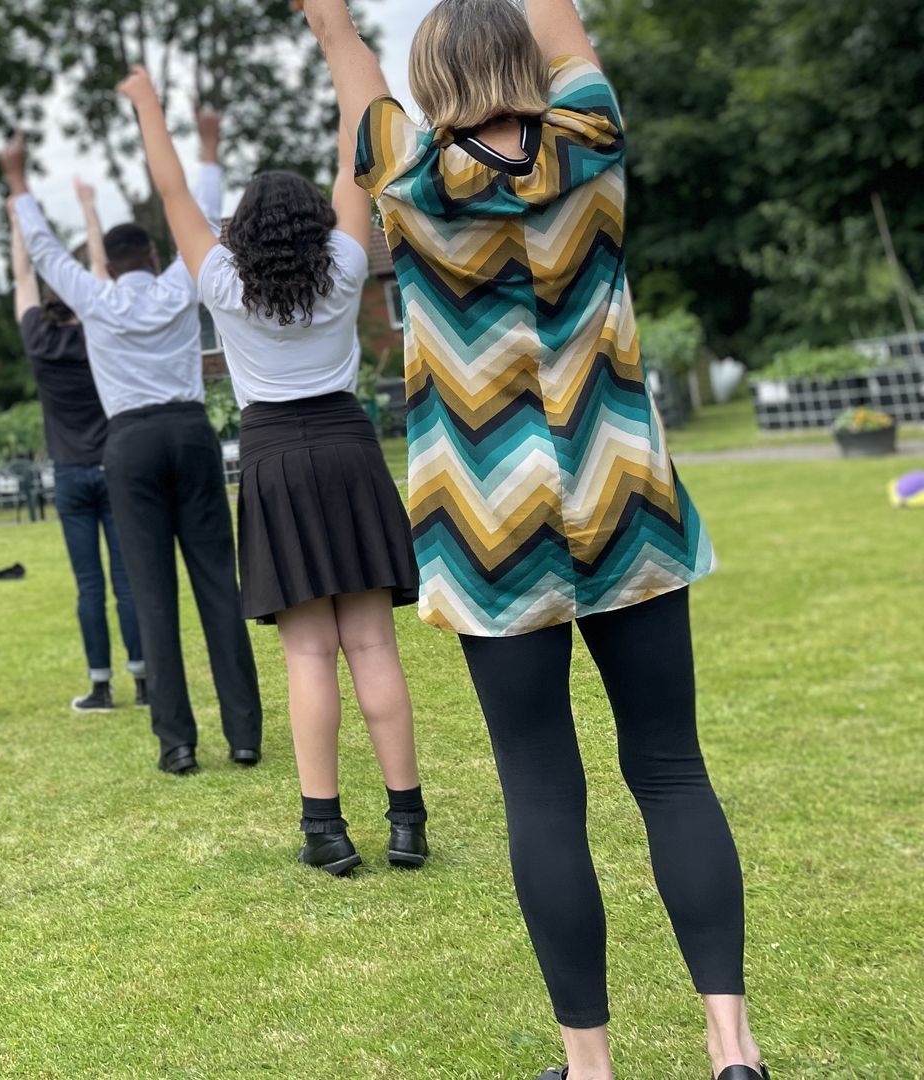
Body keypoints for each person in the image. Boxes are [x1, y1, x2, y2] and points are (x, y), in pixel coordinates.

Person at [306, 0, 759, 1076]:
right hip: (626, 501)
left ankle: (590, 1066)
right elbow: (566, 39)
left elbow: (347, 59)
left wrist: (330, 21)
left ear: (432, 83)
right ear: (529, 68)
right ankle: (732, 1048)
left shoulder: (402, 180)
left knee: (541, 789)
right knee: (673, 771)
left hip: (486, 533)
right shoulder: (593, 140)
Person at [120, 66, 429, 876]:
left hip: (273, 459)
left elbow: (172, 188)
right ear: (318, 222)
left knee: (308, 657)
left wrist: (148, 103)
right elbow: (353, 151)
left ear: (244, 233)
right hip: (349, 448)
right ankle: (406, 823)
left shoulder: (221, 279)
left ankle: (325, 831)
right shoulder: (349, 262)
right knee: (372, 645)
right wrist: (340, 56)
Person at [1, 126, 264, 777]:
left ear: (112, 265)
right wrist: (207, 153)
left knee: (151, 593)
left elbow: (41, 251)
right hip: (190, 431)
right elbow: (200, 218)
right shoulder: (181, 285)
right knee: (217, 587)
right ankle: (243, 735)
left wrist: (18, 184)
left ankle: (176, 742)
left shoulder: (94, 297)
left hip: (129, 443)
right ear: (152, 254)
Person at [6, 188, 147, 713]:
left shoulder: (37, 344)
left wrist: (17, 225)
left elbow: (22, 277)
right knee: (125, 581)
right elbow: (99, 268)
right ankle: (142, 681)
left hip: (68, 475)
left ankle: (101, 685)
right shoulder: (98, 331)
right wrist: (90, 209)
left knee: (89, 586)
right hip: (112, 467)